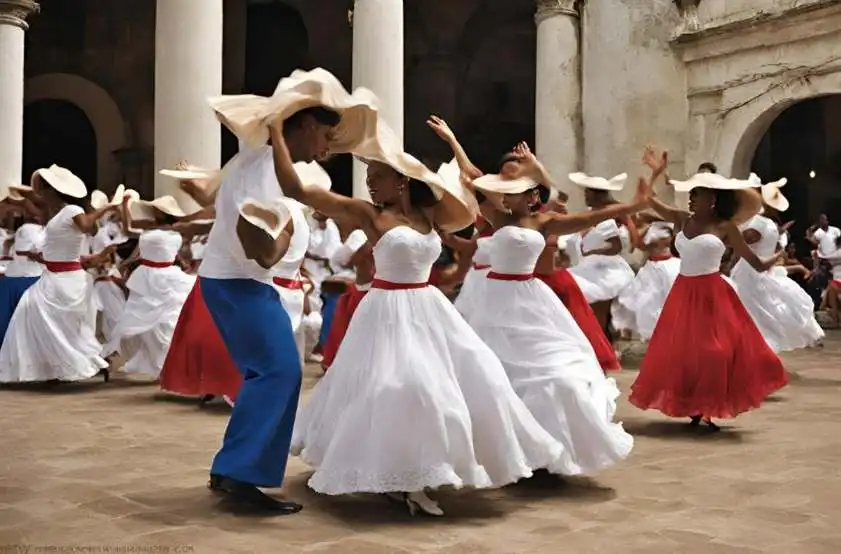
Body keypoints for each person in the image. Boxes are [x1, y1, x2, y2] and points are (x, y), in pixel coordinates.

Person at [276, 119, 563, 517]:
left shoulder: (430, 214)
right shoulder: (366, 213)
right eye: (369, 176)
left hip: (428, 309)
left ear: (402, 181)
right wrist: (277, 137)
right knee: (402, 388)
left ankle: (422, 471)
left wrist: (532, 169)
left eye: (377, 176)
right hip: (386, 311)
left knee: (478, 377)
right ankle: (402, 478)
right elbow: (297, 190)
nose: (371, 184)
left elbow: (493, 192)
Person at [201, 68, 380, 514]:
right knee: (279, 371)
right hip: (241, 281)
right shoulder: (260, 170)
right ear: (303, 126)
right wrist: (282, 241)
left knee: (271, 372)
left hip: (238, 282)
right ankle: (242, 476)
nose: (326, 147)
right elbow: (259, 249)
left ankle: (232, 468)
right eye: (324, 135)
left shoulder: (259, 164)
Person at [629, 151, 788, 430]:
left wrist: (774, 259)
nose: (690, 198)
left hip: (713, 294)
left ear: (712, 199)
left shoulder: (725, 227)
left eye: (697, 193)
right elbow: (649, 199)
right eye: (691, 193)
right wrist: (656, 172)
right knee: (684, 352)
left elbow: (755, 263)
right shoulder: (681, 218)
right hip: (683, 292)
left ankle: (709, 405)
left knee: (715, 351)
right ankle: (695, 406)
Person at [0, 166, 117, 383]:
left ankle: (91, 363)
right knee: (39, 318)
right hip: (53, 276)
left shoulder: (73, 210)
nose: (40, 193)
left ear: (52, 190)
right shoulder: (57, 212)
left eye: (43, 189)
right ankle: (54, 368)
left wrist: (105, 208)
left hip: (67, 279)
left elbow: (85, 226)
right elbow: (40, 211)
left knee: (57, 324)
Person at [730, 175, 824, 352]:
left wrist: (732, 231)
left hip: (750, 272)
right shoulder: (771, 225)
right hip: (760, 270)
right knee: (760, 312)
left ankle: (753, 350)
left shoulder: (758, 223)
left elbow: (743, 243)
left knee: (751, 312)